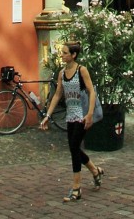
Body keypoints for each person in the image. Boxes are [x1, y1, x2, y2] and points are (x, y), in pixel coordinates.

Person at [40, 41, 104, 202]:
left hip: (82, 115)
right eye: (62, 52)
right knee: (73, 148)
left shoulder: (81, 70)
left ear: (73, 55)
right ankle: (95, 171)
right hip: (70, 115)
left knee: (74, 148)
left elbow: (91, 92)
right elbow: (57, 95)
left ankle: (76, 188)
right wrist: (47, 115)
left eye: (65, 53)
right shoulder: (62, 73)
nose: (62, 55)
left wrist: (89, 115)